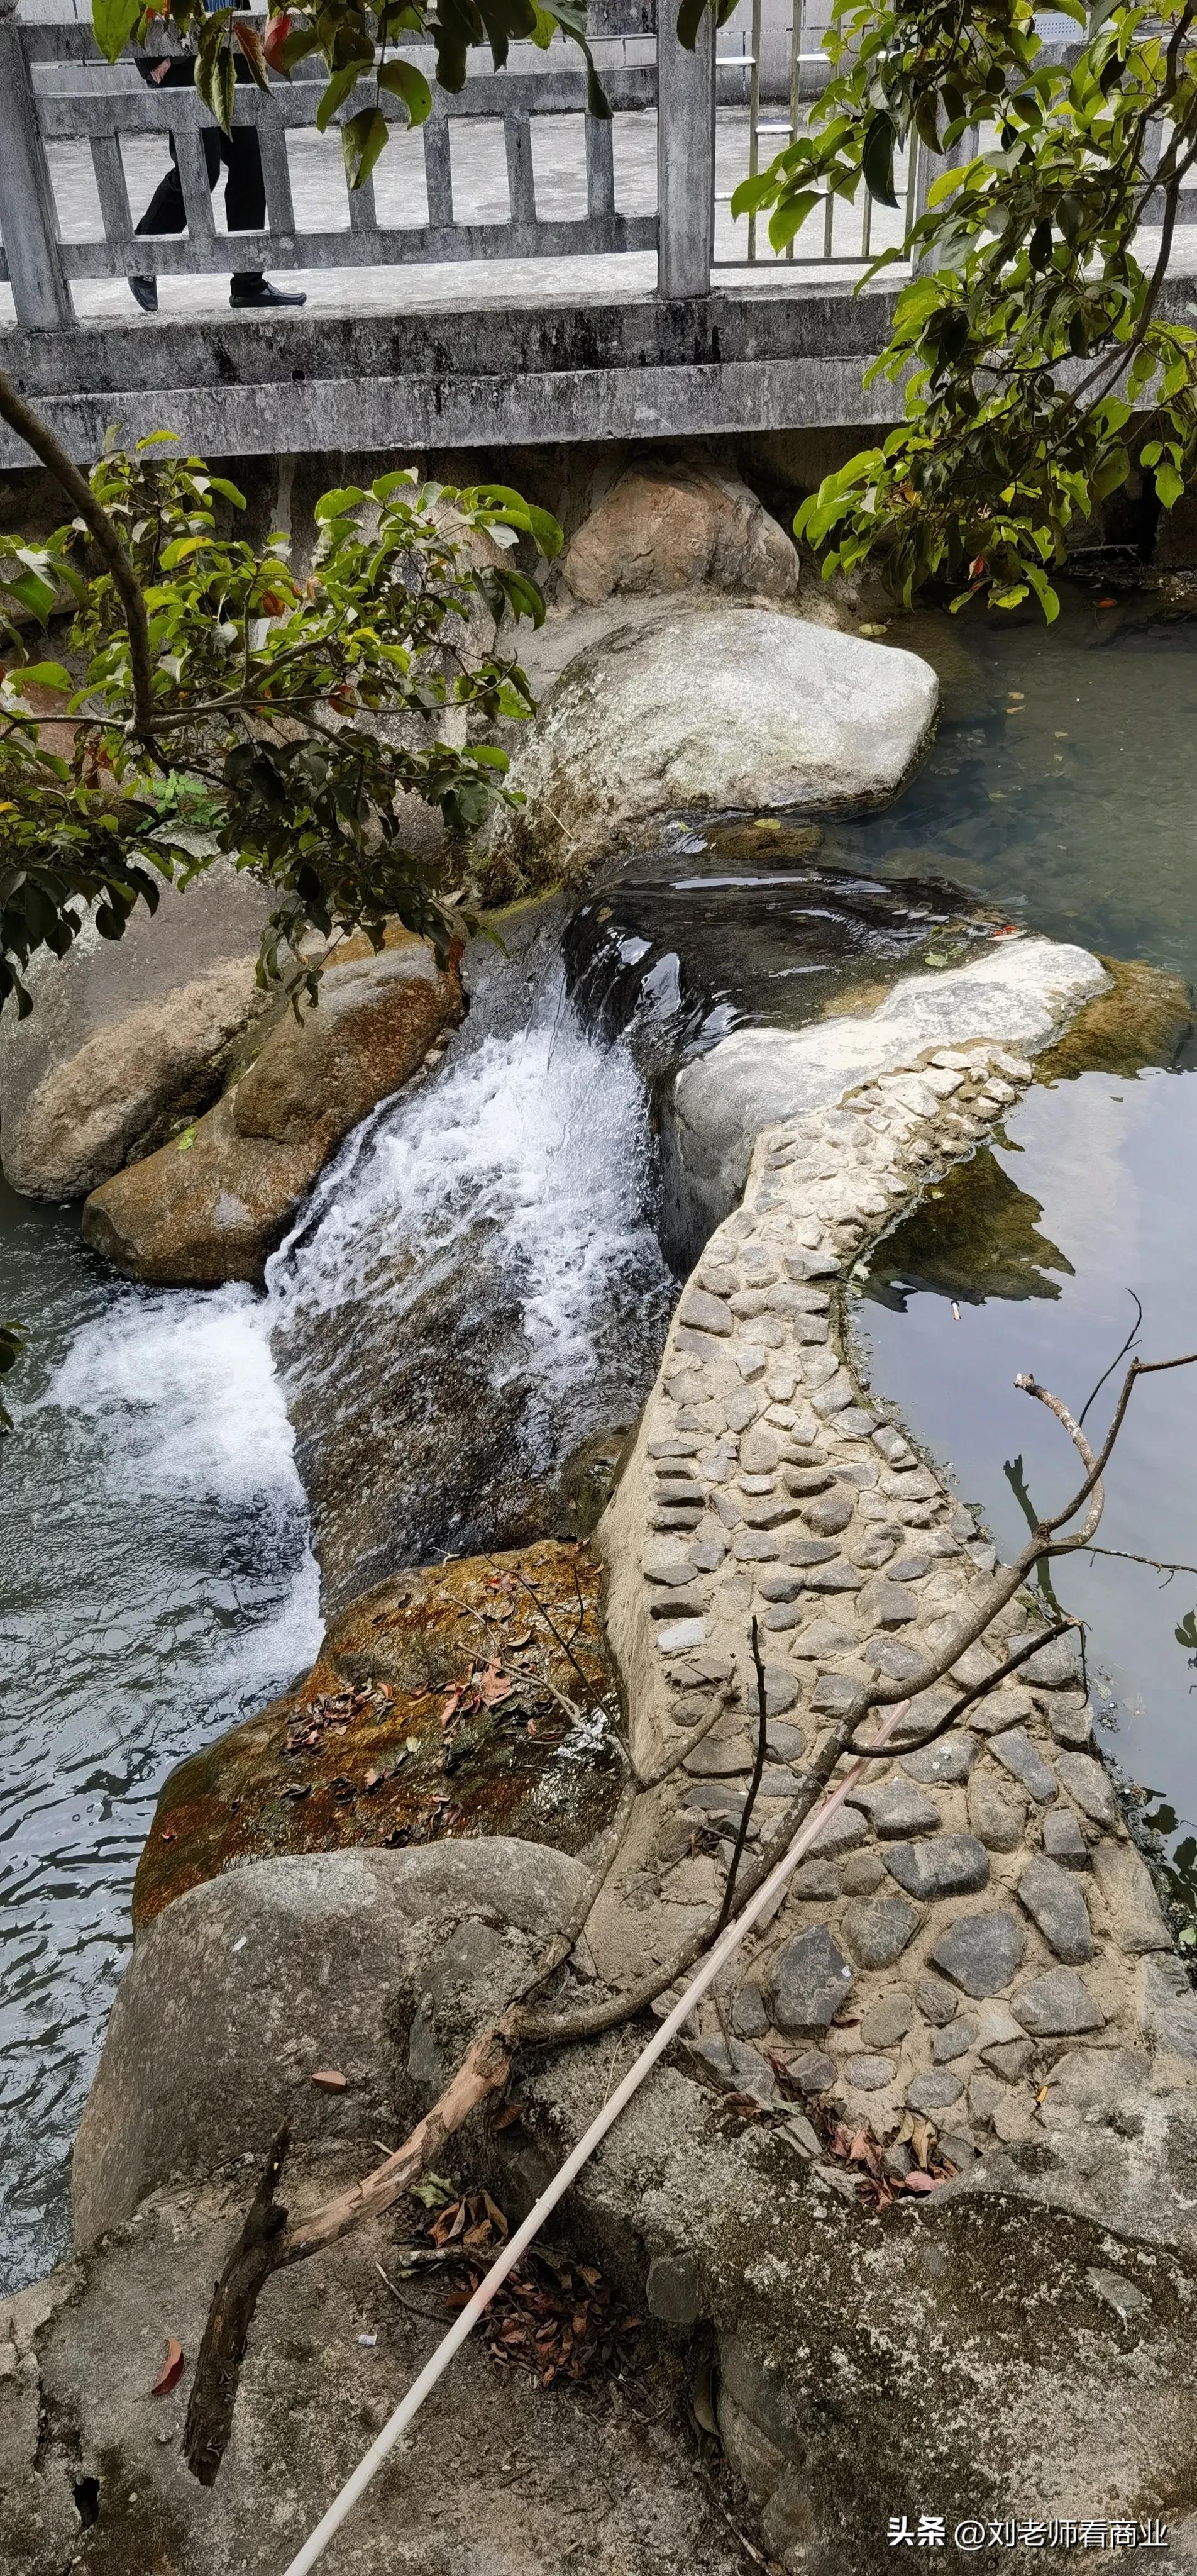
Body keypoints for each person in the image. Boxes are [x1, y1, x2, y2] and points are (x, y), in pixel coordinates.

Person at [129, 38, 306, 313]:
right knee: (197, 171)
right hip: (182, 57)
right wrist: (150, 56)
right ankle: (143, 257)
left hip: (234, 50)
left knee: (251, 163)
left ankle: (248, 284)